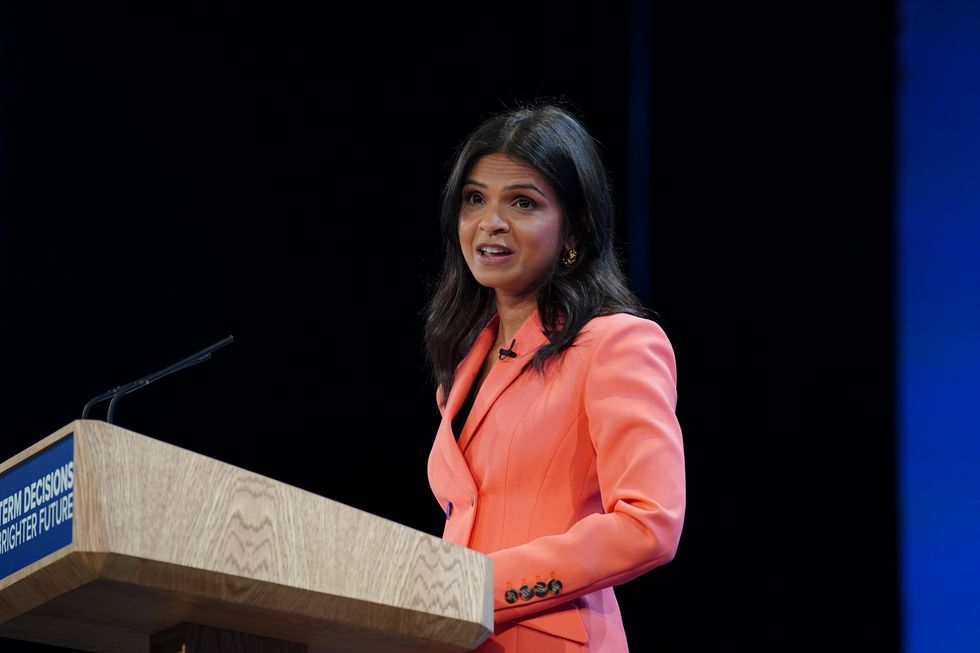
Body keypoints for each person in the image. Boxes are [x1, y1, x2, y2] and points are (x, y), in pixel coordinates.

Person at [424, 103, 685, 652]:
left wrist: (478, 587)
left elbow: (650, 525)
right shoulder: (467, 362)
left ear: (574, 227)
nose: (490, 222)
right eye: (475, 199)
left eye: (522, 202)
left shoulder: (616, 344)